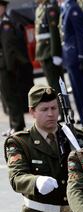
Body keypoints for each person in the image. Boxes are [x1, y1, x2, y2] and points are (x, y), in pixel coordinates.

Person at [0, 0, 31, 133]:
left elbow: (9, 48)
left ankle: (18, 125)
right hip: (3, 65)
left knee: (12, 96)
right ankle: (13, 124)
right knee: (7, 96)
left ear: (3, 8)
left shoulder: (6, 23)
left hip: (7, 66)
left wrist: (10, 68)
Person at [61, 0, 83, 123]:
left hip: (76, 56)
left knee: (81, 90)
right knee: (76, 90)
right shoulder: (67, 7)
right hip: (70, 56)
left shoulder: (73, 8)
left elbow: (80, 34)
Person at [34, 0, 63, 90]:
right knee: (52, 85)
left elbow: (54, 32)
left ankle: (62, 104)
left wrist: (55, 54)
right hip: (43, 52)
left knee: (57, 86)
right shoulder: (40, 8)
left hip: (49, 52)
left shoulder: (50, 9)